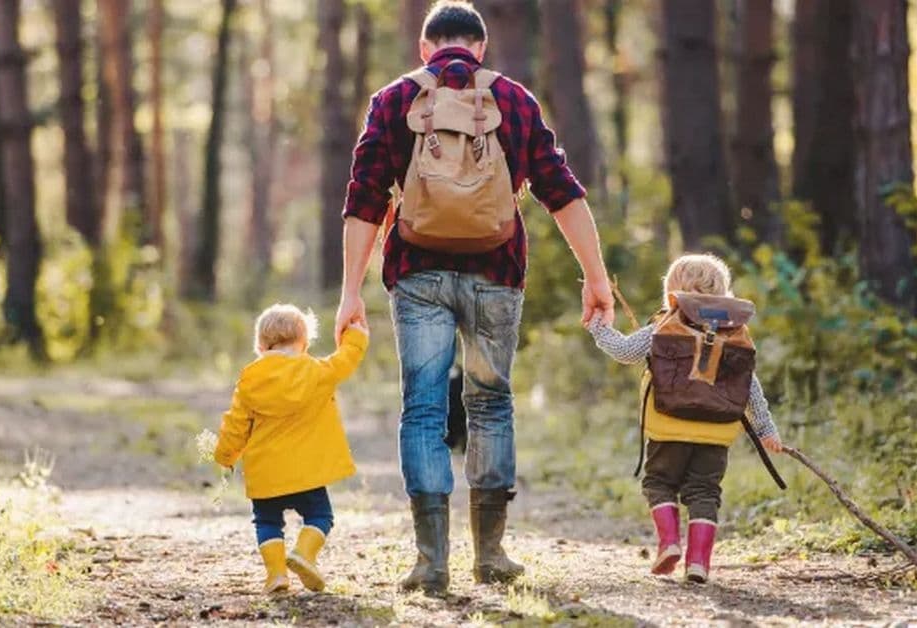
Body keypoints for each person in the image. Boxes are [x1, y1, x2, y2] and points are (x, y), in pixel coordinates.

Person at [334, 0, 615, 595]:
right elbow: (558, 190)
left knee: (425, 410)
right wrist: (596, 276)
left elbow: (365, 197)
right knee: (490, 405)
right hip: (496, 274)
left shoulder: (394, 100)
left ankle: (430, 562)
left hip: (416, 274)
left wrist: (348, 293)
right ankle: (491, 554)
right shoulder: (512, 99)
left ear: (424, 49)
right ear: (481, 49)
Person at [586, 254, 784, 584]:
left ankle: (669, 544)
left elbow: (623, 352)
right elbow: (749, 386)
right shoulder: (734, 334)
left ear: (673, 293)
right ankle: (698, 563)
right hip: (716, 434)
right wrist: (766, 428)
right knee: (705, 492)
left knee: (659, 483)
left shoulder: (663, 328)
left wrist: (597, 327)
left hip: (669, 428)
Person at [213, 304, 369, 594]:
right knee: (321, 516)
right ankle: (304, 554)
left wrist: (225, 455)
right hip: (307, 473)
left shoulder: (250, 379)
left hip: (266, 474)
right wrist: (356, 335)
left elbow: (236, 424)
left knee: (267, 522)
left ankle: (276, 576)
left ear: (260, 345)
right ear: (305, 343)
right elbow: (345, 360)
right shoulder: (316, 371)